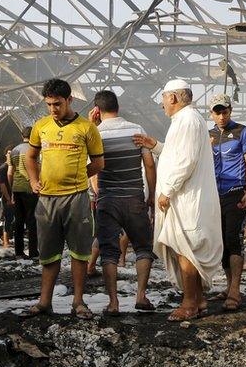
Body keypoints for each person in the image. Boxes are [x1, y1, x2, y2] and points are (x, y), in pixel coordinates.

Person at [133, 79, 221, 321]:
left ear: (172, 98)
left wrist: (167, 190)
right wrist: (157, 146)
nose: (162, 104)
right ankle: (199, 299)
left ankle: (190, 303)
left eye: (163, 98)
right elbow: (176, 154)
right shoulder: (184, 120)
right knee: (183, 248)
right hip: (183, 197)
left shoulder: (188, 120)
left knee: (186, 249)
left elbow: (186, 161)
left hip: (185, 198)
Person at [22, 78, 104, 319]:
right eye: (48, 104)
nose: (53, 109)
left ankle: (78, 302)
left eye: (57, 104)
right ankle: (44, 302)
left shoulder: (87, 128)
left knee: (80, 253)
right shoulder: (41, 126)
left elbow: (99, 163)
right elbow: (30, 157)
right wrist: (33, 180)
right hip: (47, 200)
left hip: (76, 199)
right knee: (49, 254)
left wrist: (79, 176)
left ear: (69, 100)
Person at [89, 90, 157, 315]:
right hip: (134, 197)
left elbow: (94, 169)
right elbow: (149, 164)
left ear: (97, 111)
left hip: (108, 200)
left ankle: (114, 303)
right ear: (118, 107)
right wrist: (151, 194)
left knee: (108, 251)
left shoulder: (95, 134)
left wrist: (100, 194)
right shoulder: (136, 129)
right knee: (143, 247)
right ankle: (140, 296)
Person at [206, 93, 246, 310]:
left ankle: (235, 290)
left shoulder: (242, 131)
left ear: (230, 111)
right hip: (213, 194)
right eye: (217, 112)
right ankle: (228, 286)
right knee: (221, 242)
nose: (221, 116)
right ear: (211, 113)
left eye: (224, 111)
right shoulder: (207, 135)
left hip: (235, 190)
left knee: (232, 238)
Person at [8, 128, 39, 259]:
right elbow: (39, 167)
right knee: (32, 220)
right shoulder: (35, 149)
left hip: (17, 188)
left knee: (19, 221)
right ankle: (33, 252)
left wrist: (12, 189)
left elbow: (10, 172)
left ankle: (19, 252)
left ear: (22, 135)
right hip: (31, 187)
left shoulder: (14, 150)